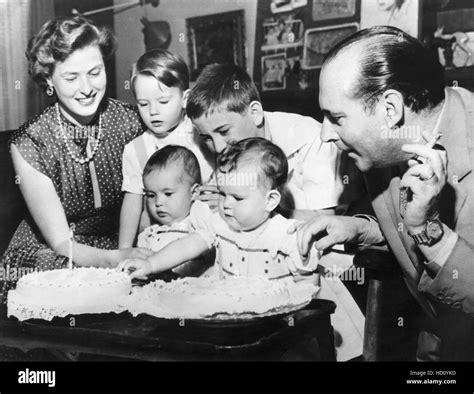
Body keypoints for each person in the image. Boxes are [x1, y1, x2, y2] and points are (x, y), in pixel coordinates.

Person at [295, 26, 474, 360]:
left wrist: (427, 230)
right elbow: (405, 231)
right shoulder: (386, 146)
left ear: (391, 109)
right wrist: (364, 229)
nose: (324, 135)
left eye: (336, 117)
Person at [1, 16, 153, 290]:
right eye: (71, 77)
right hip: (57, 253)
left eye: (95, 73)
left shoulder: (133, 122)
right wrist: (116, 260)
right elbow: (60, 242)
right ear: (48, 79)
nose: (86, 88)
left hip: (121, 242)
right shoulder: (30, 142)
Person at [118, 138, 319, 280]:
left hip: (275, 320)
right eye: (222, 193)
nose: (226, 204)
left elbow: (308, 280)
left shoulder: (287, 235)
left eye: (237, 197)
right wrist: (151, 264)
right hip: (230, 314)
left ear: (271, 200)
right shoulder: (218, 224)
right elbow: (186, 246)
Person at [186, 63, 362, 220]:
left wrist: (238, 205)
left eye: (224, 131)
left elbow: (325, 220)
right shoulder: (221, 144)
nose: (218, 148)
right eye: (207, 138)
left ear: (255, 113)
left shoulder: (312, 140)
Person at [119, 49, 213, 248]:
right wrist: (125, 250)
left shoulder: (204, 134)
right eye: (143, 104)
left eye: (163, 102)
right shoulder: (135, 150)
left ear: (185, 99)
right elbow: (132, 205)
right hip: (162, 238)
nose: (153, 111)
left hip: (208, 234)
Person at [134, 145, 211, 277]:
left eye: (168, 194)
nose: (158, 203)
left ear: (194, 192)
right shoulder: (149, 235)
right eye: (151, 195)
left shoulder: (197, 224)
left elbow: (187, 246)